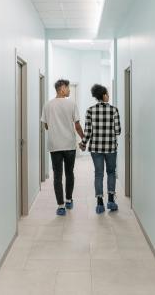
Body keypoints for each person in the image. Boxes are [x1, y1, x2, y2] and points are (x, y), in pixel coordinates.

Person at [41, 79, 85, 216]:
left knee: (57, 176)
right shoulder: (71, 104)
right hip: (69, 145)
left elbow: (46, 125)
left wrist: (54, 127)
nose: (69, 90)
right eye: (67, 88)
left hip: (55, 146)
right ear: (62, 88)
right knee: (69, 173)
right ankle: (68, 200)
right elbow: (77, 126)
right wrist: (84, 139)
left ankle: (60, 206)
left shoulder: (47, 105)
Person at [80, 84, 121, 214]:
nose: (108, 96)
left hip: (96, 148)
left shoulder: (90, 110)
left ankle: (99, 204)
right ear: (103, 95)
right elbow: (118, 131)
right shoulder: (114, 110)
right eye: (107, 93)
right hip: (110, 148)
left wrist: (83, 143)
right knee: (111, 172)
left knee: (98, 174)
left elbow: (87, 131)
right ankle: (111, 201)